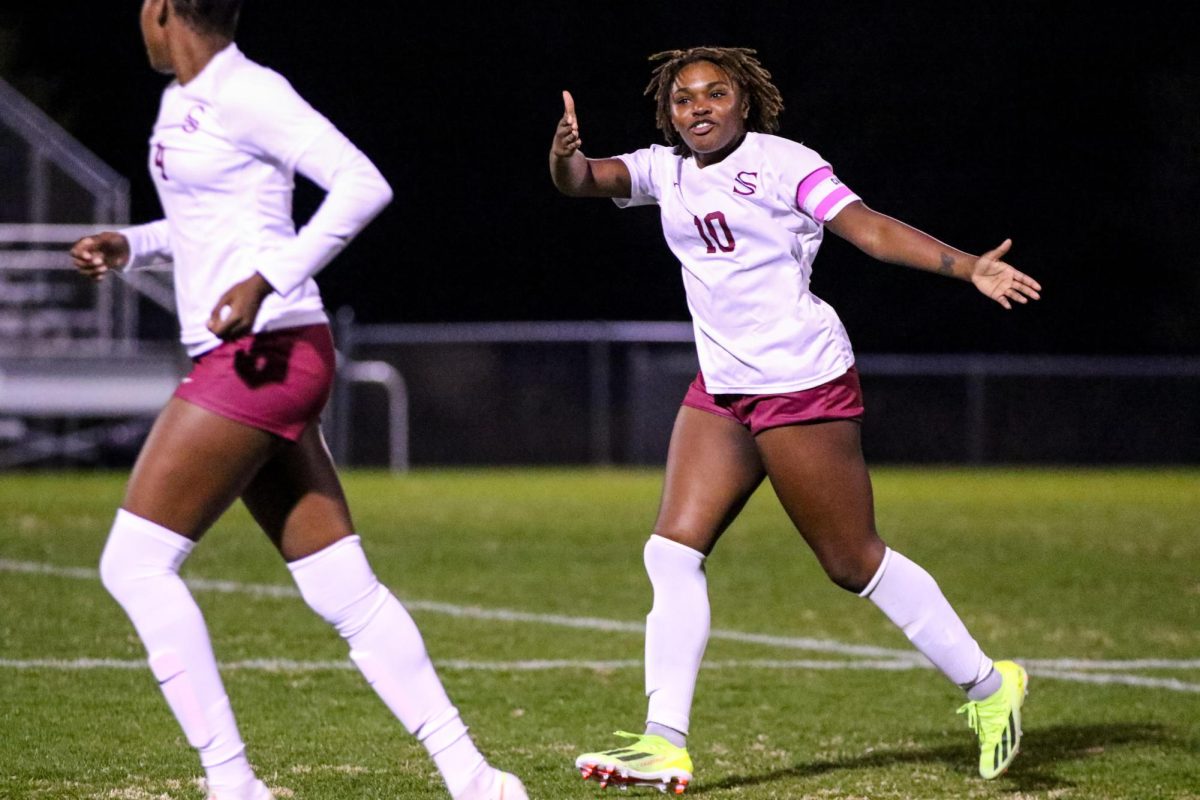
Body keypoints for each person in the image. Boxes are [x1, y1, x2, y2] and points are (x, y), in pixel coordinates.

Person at [550, 46, 1040, 793]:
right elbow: (582, 182)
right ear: (669, 112)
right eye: (685, 99)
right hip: (724, 387)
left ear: (745, 102)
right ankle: (663, 742)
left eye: (716, 94)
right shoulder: (666, 169)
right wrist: (564, 156)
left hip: (800, 382)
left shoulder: (784, 162)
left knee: (852, 562)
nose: (699, 108)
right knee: (671, 553)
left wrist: (967, 265)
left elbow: (868, 229)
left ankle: (988, 684)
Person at [69, 2, 527, 799]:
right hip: (256, 353)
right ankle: (478, 779)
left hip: (266, 352)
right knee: (340, 586)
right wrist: (132, 244)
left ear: (163, 10)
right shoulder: (181, 96)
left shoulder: (252, 90)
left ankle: (232, 784)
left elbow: (363, 184)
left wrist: (270, 277)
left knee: (134, 565)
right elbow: (210, 221)